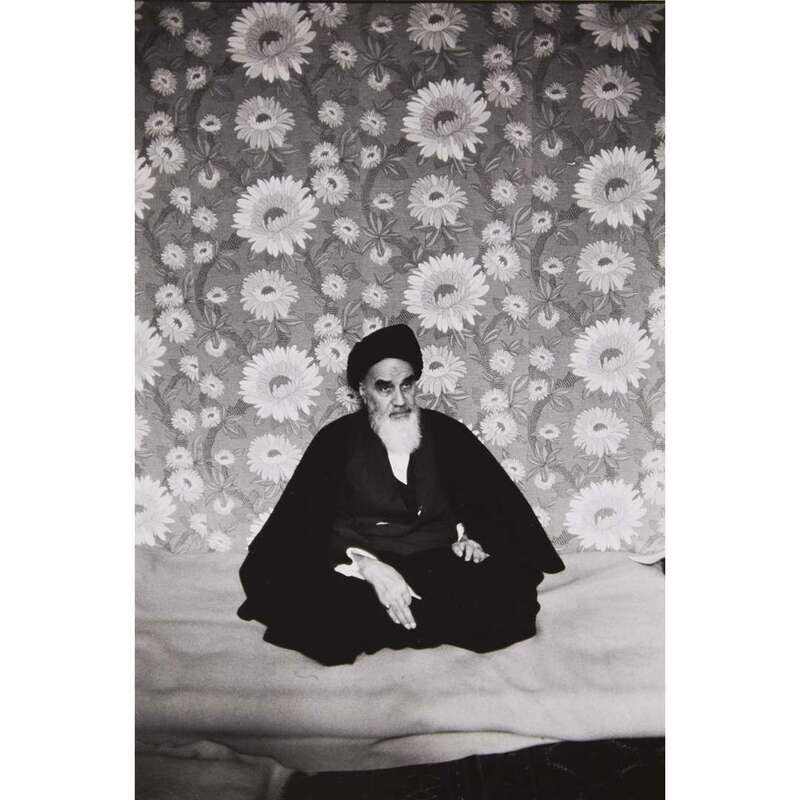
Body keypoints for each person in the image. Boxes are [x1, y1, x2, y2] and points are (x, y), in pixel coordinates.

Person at [237, 324, 565, 666]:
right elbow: (307, 524)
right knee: (317, 615)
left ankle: (395, 619)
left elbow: (489, 506)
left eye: (407, 385)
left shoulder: (447, 434)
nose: (399, 400)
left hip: (438, 562)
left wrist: (470, 538)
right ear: (362, 390)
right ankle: (415, 616)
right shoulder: (335, 441)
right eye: (385, 387)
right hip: (363, 567)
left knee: (508, 599)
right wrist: (368, 567)